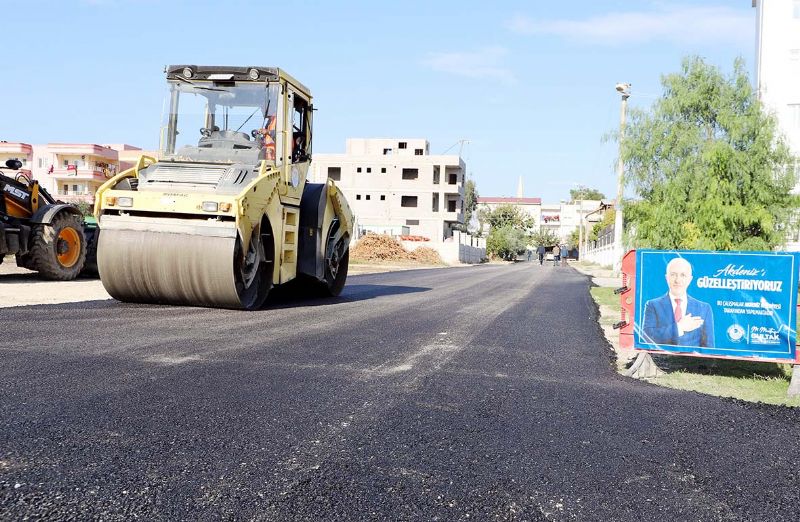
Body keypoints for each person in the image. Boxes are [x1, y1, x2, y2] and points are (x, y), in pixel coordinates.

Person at [642, 257, 715, 348]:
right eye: (673, 275)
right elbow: (646, 337)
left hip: (693, 362)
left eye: (683, 275)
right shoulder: (652, 305)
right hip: (662, 359)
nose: (677, 280)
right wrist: (680, 327)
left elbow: (709, 347)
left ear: (690, 279)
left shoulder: (704, 308)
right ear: (666, 278)